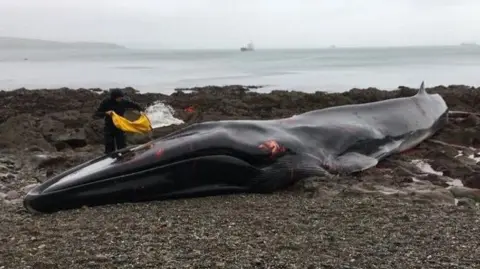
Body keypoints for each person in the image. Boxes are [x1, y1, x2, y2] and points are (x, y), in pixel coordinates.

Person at [94, 89, 145, 154]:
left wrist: (141, 111)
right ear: (114, 97)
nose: (121, 99)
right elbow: (97, 114)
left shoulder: (123, 102)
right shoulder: (106, 102)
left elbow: (135, 105)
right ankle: (111, 160)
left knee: (122, 147)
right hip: (109, 127)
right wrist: (106, 113)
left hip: (120, 127)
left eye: (121, 97)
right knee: (109, 148)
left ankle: (125, 160)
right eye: (119, 97)